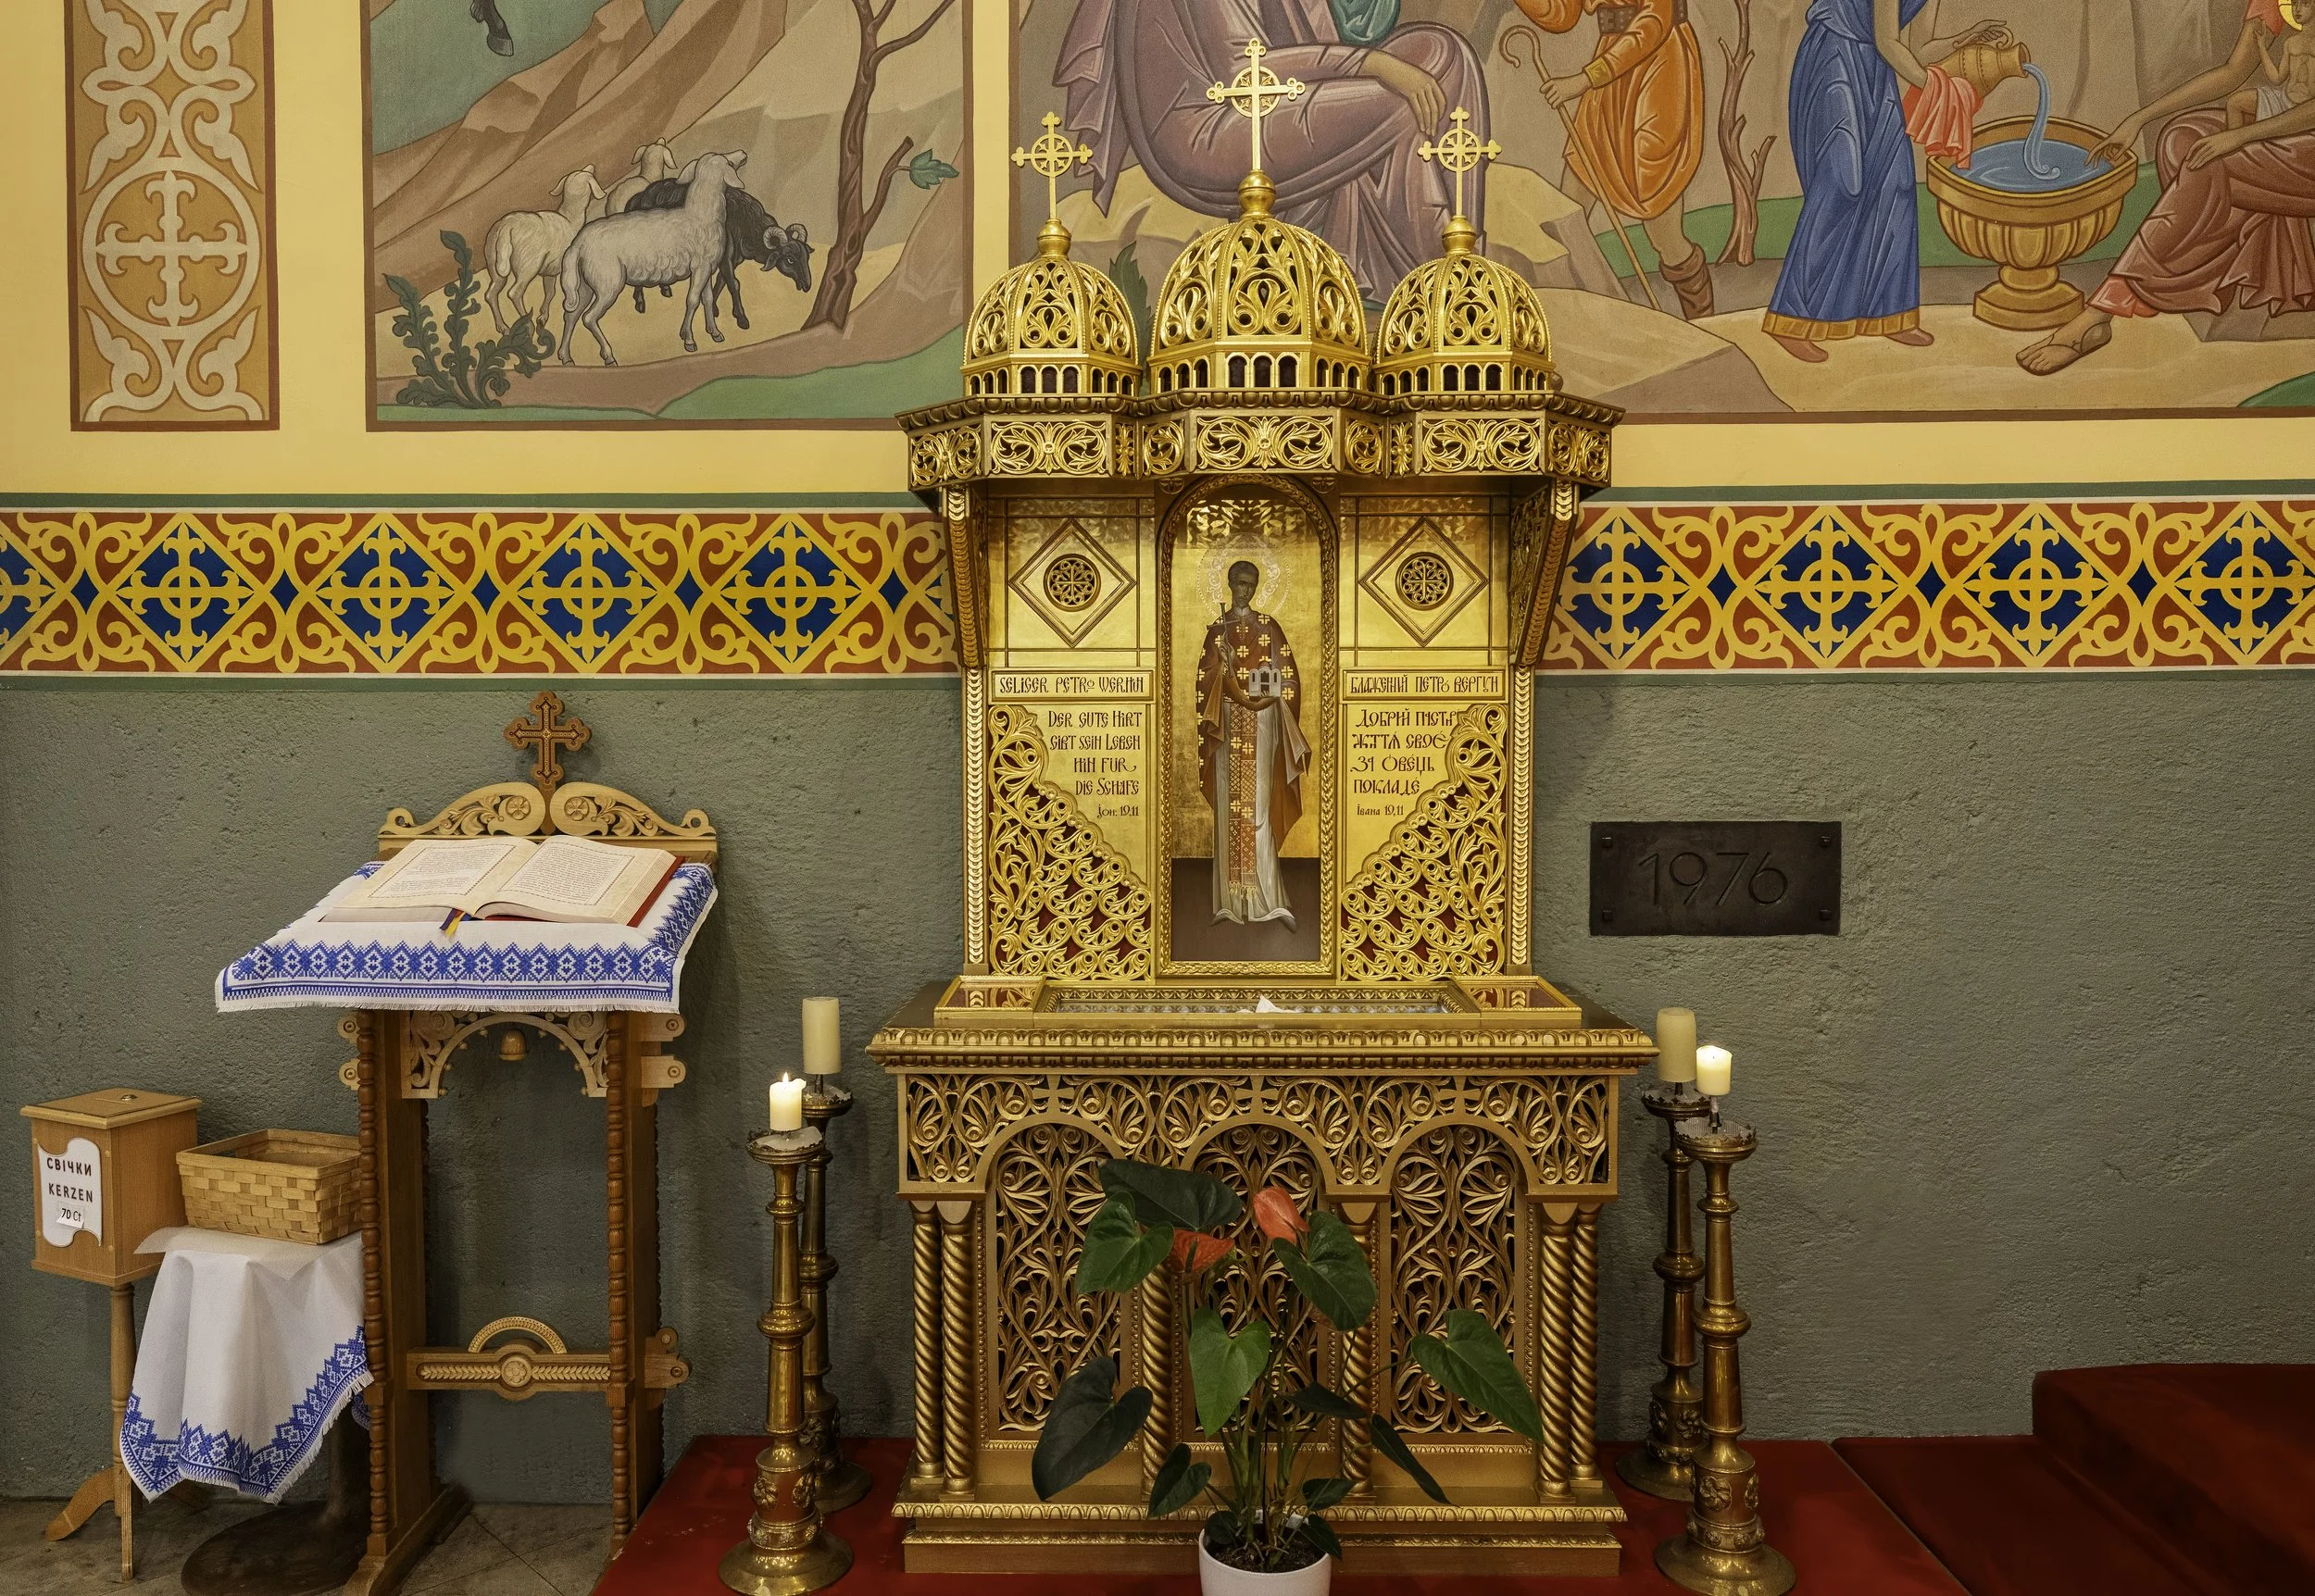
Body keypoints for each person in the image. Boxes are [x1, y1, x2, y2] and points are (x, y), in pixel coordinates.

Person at [1055, 0, 1489, 297]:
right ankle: (1436, 294)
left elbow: (1328, 29)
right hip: (1213, 125)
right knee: (1401, 101)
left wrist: (1377, 60)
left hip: (1265, 97)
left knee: (1444, 55)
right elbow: (1246, 71)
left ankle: (1446, 268)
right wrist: (1371, 64)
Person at [2019, 0, 2315, 374]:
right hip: (2281, 131)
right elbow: (2232, 73)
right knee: (2180, 139)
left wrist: (2241, 136)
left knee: (2213, 164)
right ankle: (2206, 281)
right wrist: (2139, 118)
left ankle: (2101, 311)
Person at [1761, 1, 2007, 363]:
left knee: (1898, 184)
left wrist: (1963, 40)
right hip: (1833, 58)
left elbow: (1918, 49)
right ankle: (1792, 317)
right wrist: (1940, 90)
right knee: (1843, 183)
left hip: (1876, 68)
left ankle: (1891, 313)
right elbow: (1889, 42)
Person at [1516, 0, 1714, 319]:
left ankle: (1705, 323)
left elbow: (1653, 21)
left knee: (1659, 220)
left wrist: (1585, 79)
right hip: (1611, 70)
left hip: (1659, 67)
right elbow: (1561, 14)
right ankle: (1567, 330)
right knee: (1569, 208)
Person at [1195, 561, 1309, 929]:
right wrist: (1225, 674)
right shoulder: (1217, 631)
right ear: (1229, 585)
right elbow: (1204, 683)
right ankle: (1229, 904)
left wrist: (1265, 699)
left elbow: (1289, 678)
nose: (1246, 590)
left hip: (1262, 724)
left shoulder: (1269, 628)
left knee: (1258, 808)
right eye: (1240, 584)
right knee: (1231, 812)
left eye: (1252, 584)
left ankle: (1269, 901)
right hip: (1228, 724)